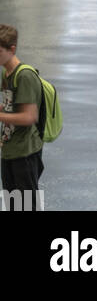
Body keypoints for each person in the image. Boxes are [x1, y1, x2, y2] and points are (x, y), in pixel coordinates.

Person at [0, 25, 45, 209]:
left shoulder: (25, 76)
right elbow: (11, 107)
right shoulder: (6, 73)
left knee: (27, 206)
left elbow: (29, 116)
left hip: (24, 153)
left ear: (12, 49)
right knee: (13, 205)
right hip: (10, 149)